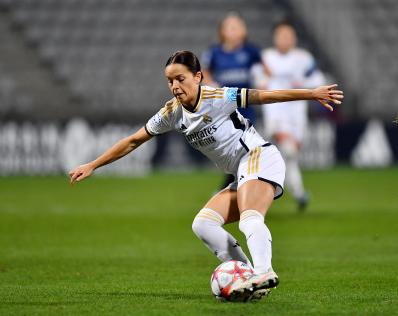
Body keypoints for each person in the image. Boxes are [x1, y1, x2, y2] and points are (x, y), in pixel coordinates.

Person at [69, 51, 343, 301]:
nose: (175, 86)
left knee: (250, 218)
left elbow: (264, 95)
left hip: (259, 157)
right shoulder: (172, 113)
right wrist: (94, 164)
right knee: (203, 224)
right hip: (242, 172)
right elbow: (133, 140)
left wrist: (311, 94)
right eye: (170, 81)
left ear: (198, 76)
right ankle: (249, 278)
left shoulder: (219, 97)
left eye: (180, 78)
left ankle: (264, 271)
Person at [259, 22, 326, 210]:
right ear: (275, 38)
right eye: (281, 35)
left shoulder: (304, 58)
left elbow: (318, 80)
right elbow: (257, 78)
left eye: (289, 35)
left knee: (288, 157)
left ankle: (298, 193)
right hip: (275, 112)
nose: (285, 39)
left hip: (297, 114)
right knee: (288, 151)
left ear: (295, 38)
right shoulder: (266, 57)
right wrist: (262, 83)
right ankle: (267, 193)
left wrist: (304, 82)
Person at [202, 12, 266, 189]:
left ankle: (231, 189)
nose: (236, 30)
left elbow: (265, 71)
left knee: (244, 150)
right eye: (231, 26)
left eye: (239, 26)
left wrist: (262, 79)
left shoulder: (252, 51)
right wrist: (212, 85)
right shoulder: (214, 52)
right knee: (234, 152)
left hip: (246, 108)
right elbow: (205, 73)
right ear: (222, 32)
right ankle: (234, 188)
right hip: (224, 110)